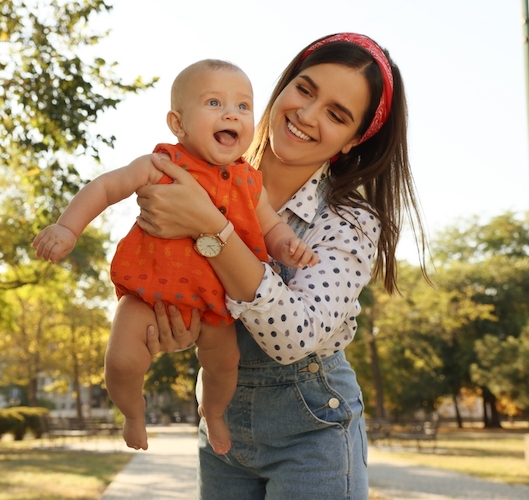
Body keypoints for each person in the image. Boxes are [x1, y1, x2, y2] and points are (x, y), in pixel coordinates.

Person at [137, 33, 428, 499]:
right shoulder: (203, 177)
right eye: (305, 90)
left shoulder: (350, 222)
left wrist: (212, 229)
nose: (307, 116)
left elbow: (293, 337)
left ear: (354, 139)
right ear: (284, 85)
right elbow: (181, 287)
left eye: (336, 114)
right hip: (222, 426)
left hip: (313, 431)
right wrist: (176, 328)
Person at [32, 59, 318, 454]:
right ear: (178, 124)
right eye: (214, 103)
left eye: (243, 106)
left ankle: (213, 412)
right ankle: (133, 412)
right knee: (122, 361)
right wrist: (68, 227)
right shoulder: (161, 164)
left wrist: (288, 245)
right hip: (147, 294)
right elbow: (104, 188)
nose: (231, 113)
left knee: (222, 365)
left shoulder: (248, 182)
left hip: (213, 305)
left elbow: (270, 227)